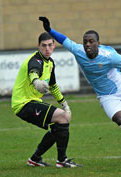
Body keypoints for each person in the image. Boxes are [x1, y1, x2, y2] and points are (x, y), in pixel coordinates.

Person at [39, 16, 121, 168]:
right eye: (85, 42)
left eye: (91, 41)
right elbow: (64, 39)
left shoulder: (110, 56)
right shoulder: (78, 51)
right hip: (106, 96)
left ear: (98, 43)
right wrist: (49, 30)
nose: (87, 45)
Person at [11, 32, 81, 168]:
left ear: (54, 46)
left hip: (31, 102)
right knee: (63, 118)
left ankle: (35, 159)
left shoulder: (50, 63)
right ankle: (62, 160)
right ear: (38, 46)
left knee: (58, 126)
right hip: (23, 103)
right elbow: (33, 72)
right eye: (44, 46)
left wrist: (64, 104)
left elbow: (53, 86)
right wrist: (36, 81)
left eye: (50, 45)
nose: (47, 49)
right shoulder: (35, 60)